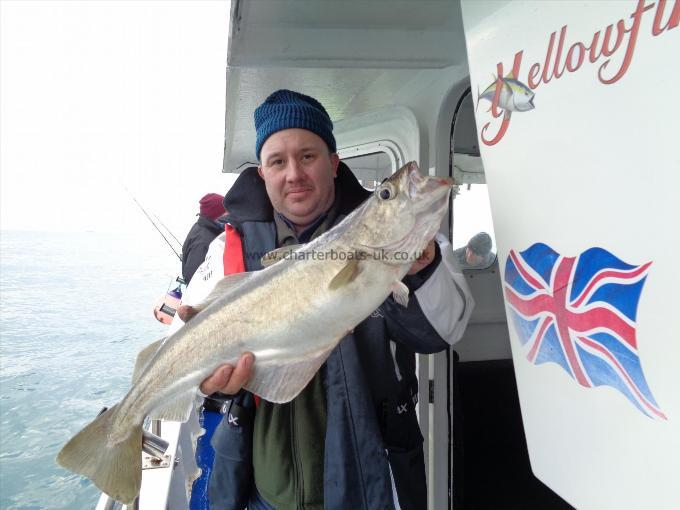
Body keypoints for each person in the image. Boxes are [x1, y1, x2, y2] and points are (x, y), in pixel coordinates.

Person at [174, 90, 474, 510]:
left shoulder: (393, 234)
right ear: (263, 173)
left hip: (369, 480)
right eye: (278, 161)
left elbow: (445, 329)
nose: (293, 173)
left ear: (333, 163)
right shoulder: (229, 248)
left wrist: (421, 268)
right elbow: (193, 346)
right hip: (263, 486)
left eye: (308, 156)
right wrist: (214, 387)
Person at [181, 193, 226, 283]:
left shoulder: (202, 225)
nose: (229, 214)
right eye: (225, 211)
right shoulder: (203, 242)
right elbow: (192, 276)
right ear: (216, 214)